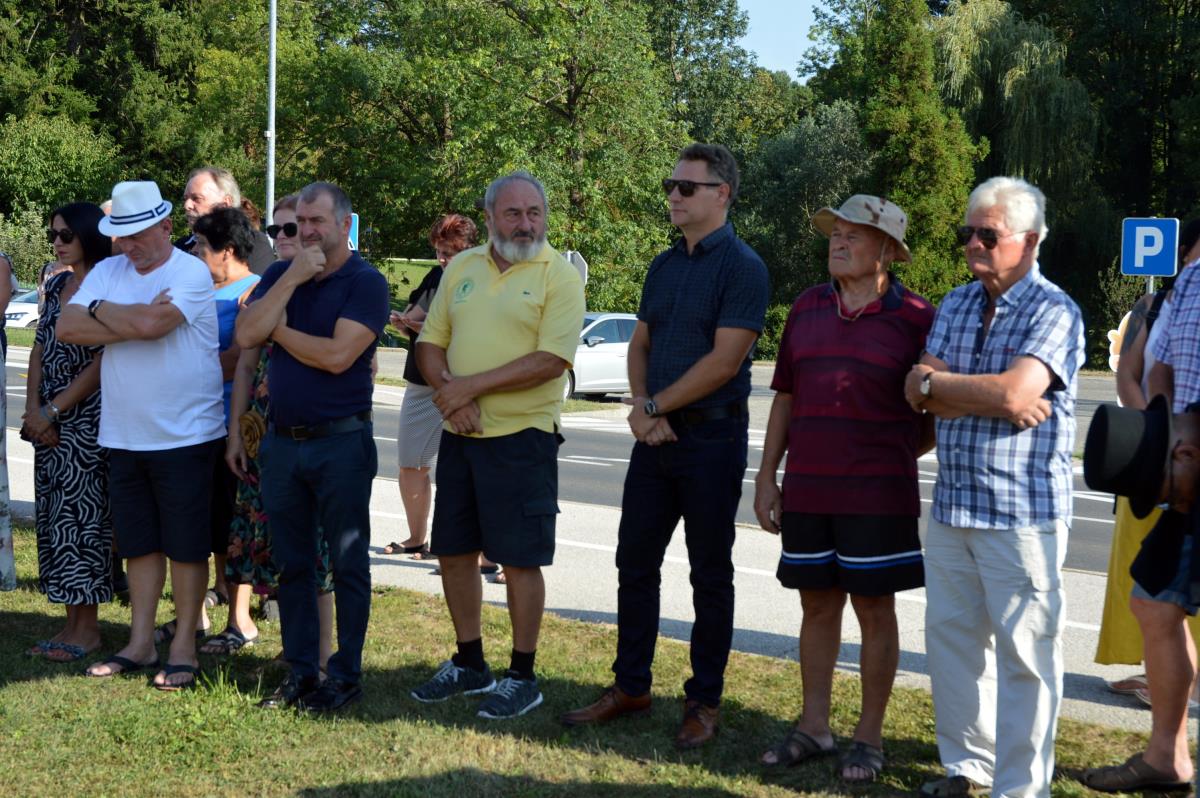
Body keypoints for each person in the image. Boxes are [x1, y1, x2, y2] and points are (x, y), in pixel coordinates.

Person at [561, 143, 768, 749]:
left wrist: (654, 408)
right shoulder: (664, 264)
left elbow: (725, 361)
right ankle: (631, 686)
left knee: (710, 574)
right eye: (670, 186)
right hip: (656, 439)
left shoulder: (744, 267)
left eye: (686, 187)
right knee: (634, 563)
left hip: (712, 437)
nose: (674, 195)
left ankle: (703, 702)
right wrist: (641, 406)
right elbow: (640, 344)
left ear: (721, 194)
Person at [904, 176, 1084, 798]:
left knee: (1027, 656)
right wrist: (973, 392)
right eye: (967, 233)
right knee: (952, 644)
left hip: (1022, 514)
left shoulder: (1055, 310)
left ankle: (1020, 788)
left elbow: (1013, 393)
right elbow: (918, 389)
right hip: (953, 505)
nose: (972, 244)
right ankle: (967, 767)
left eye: (988, 234)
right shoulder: (955, 303)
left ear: (1029, 241)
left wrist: (951, 388)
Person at [754, 196, 933, 782]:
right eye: (836, 232)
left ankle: (869, 738)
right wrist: (767, 475)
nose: (838, 241)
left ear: (887, 251)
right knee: (816, 604)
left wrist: (888, 453)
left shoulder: (918, 317)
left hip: (879, 497)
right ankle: (815, 726)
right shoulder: (806, 306)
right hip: (807, 490)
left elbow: (933, 412)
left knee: (875, 609)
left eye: (854, 235)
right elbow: (785, 396)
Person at [408, 171, 585, 720]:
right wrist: (451, 397)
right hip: (461, 435)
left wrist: (467, 388)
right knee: (454, 552)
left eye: (535, 212)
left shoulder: (559, 275)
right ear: (489, 218)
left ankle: (523, 676)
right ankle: (470, 663)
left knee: (520, 559)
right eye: (513, 213)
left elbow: (551, 360)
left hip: (523, 438)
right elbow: (430, 343)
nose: (526, 223)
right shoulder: (462, 267)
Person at [58, 180, 226, 691]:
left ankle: (184, 648)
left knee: (187, 548)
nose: (128, 246)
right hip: (124, 434)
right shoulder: (109, 270)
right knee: (139, 546)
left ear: (167, 227)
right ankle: (139, 644)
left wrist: (101, 311)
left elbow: (155, 326)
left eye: (137, 235)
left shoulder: (189, 271)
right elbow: (67, 327)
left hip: (187, 435)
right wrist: (127, 316)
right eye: (121, 237)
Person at [236, 182, 389, 713]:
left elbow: (337, 357)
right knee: (293, 565)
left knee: (348, 563)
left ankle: (344, 675)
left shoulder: (366, 282)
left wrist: (279, 332)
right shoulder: (282, 274)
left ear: (344, 225)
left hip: (341, 441)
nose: (306, 231)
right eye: (300, 222)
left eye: (317, 221)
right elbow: (247, 334)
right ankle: (301, 672)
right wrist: (292, 278)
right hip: (283, 444)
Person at [1089, 220, 1200, 792]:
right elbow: (1155, 372)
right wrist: (1162, 444)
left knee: (1156, 602)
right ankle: (1167, 757)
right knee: (1155, 602)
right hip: (1185, 476)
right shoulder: (1182, 288)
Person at [221, 194, 336, 665]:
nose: (286, 237)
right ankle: (294, 649)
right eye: (278, 230)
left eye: (294, 228)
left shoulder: (332, 283)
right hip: (265, 435)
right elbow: (246, 363)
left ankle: (322, 655)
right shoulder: (271, 281)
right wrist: (236, 435)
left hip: (316, 433)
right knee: (275, 546)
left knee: (316, 551)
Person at [1081, 400, 1197, 795]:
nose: (1168, 506)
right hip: (1187, 447)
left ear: (1185, 455)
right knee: (1154, 598)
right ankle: (1166, 759)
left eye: (1165, 495)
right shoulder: (1185, 459)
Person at [23, 203, 113, 662]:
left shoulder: (108, 285)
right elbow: (39, 349)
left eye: (65, 235)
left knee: (84, 522)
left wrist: (55, 410)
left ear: (88, 235)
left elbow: (102, 363)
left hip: (86, 422)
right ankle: (70, 622)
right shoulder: (58, 285)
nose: (57, 243)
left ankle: (88, 629)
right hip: (47, 421)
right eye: (53, 235)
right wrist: (33, 411)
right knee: (56, 520)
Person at [381, 214, 487, 571]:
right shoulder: (436, 276)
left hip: (463, 381)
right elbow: (417, 314)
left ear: (469, 248)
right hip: (422, 379)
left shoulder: (481, 278)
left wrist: (424, 324)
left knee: (471, 469)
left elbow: (464, 324)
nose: (443, 259)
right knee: (410, 462)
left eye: (450, 253)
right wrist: (404, 322)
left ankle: (484, 553)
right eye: (439, 251)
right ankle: (417, 538)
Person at [181, 206, 261, 652]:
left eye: (201, 246)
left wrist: (181, 367)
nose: (194, 252)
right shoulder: (197, 289)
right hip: (193, 423)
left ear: (227, 250)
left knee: (234, 524)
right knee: (202, 522)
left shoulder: (254, 291)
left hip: (232, 423)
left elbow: (237, 358)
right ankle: (195, 616)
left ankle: (240, 620)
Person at [176, 167, 275, 274]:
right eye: (185, 199)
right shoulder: (181, 247)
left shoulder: (252, 243)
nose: (187, 205)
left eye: (197, 198)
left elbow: (254, 284)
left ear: (225, 204)